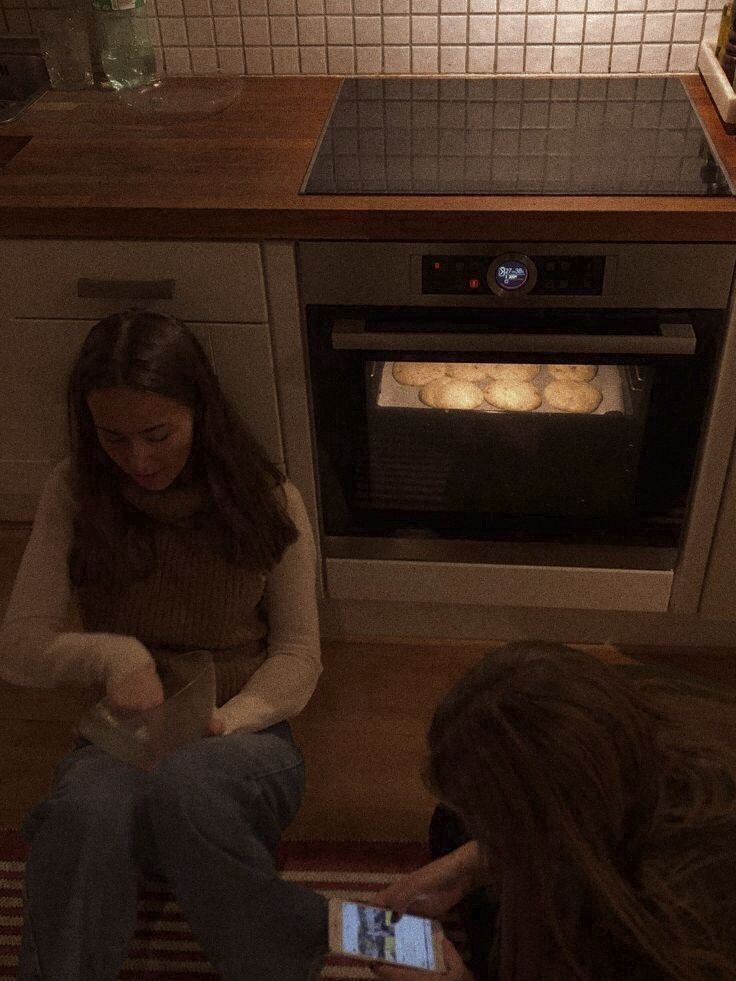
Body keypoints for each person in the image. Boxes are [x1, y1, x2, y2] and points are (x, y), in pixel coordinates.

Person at [0, 309, 329, 981]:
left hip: (244, 734)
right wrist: (115, 656)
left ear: (199, 414)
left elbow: (299, 655)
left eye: (157, 434)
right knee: (84, 812)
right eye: (113, 438)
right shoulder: (75, 488)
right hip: (124, 739)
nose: (139, 460)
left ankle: (299, 951)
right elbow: (18, 644)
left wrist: (222, 722)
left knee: (187, 788)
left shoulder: (269, 496)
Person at [371, 641, 736, 981]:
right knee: (450, 823)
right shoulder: (627, 715)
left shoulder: (658, 928)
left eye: (501, 838)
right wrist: (468, 868)